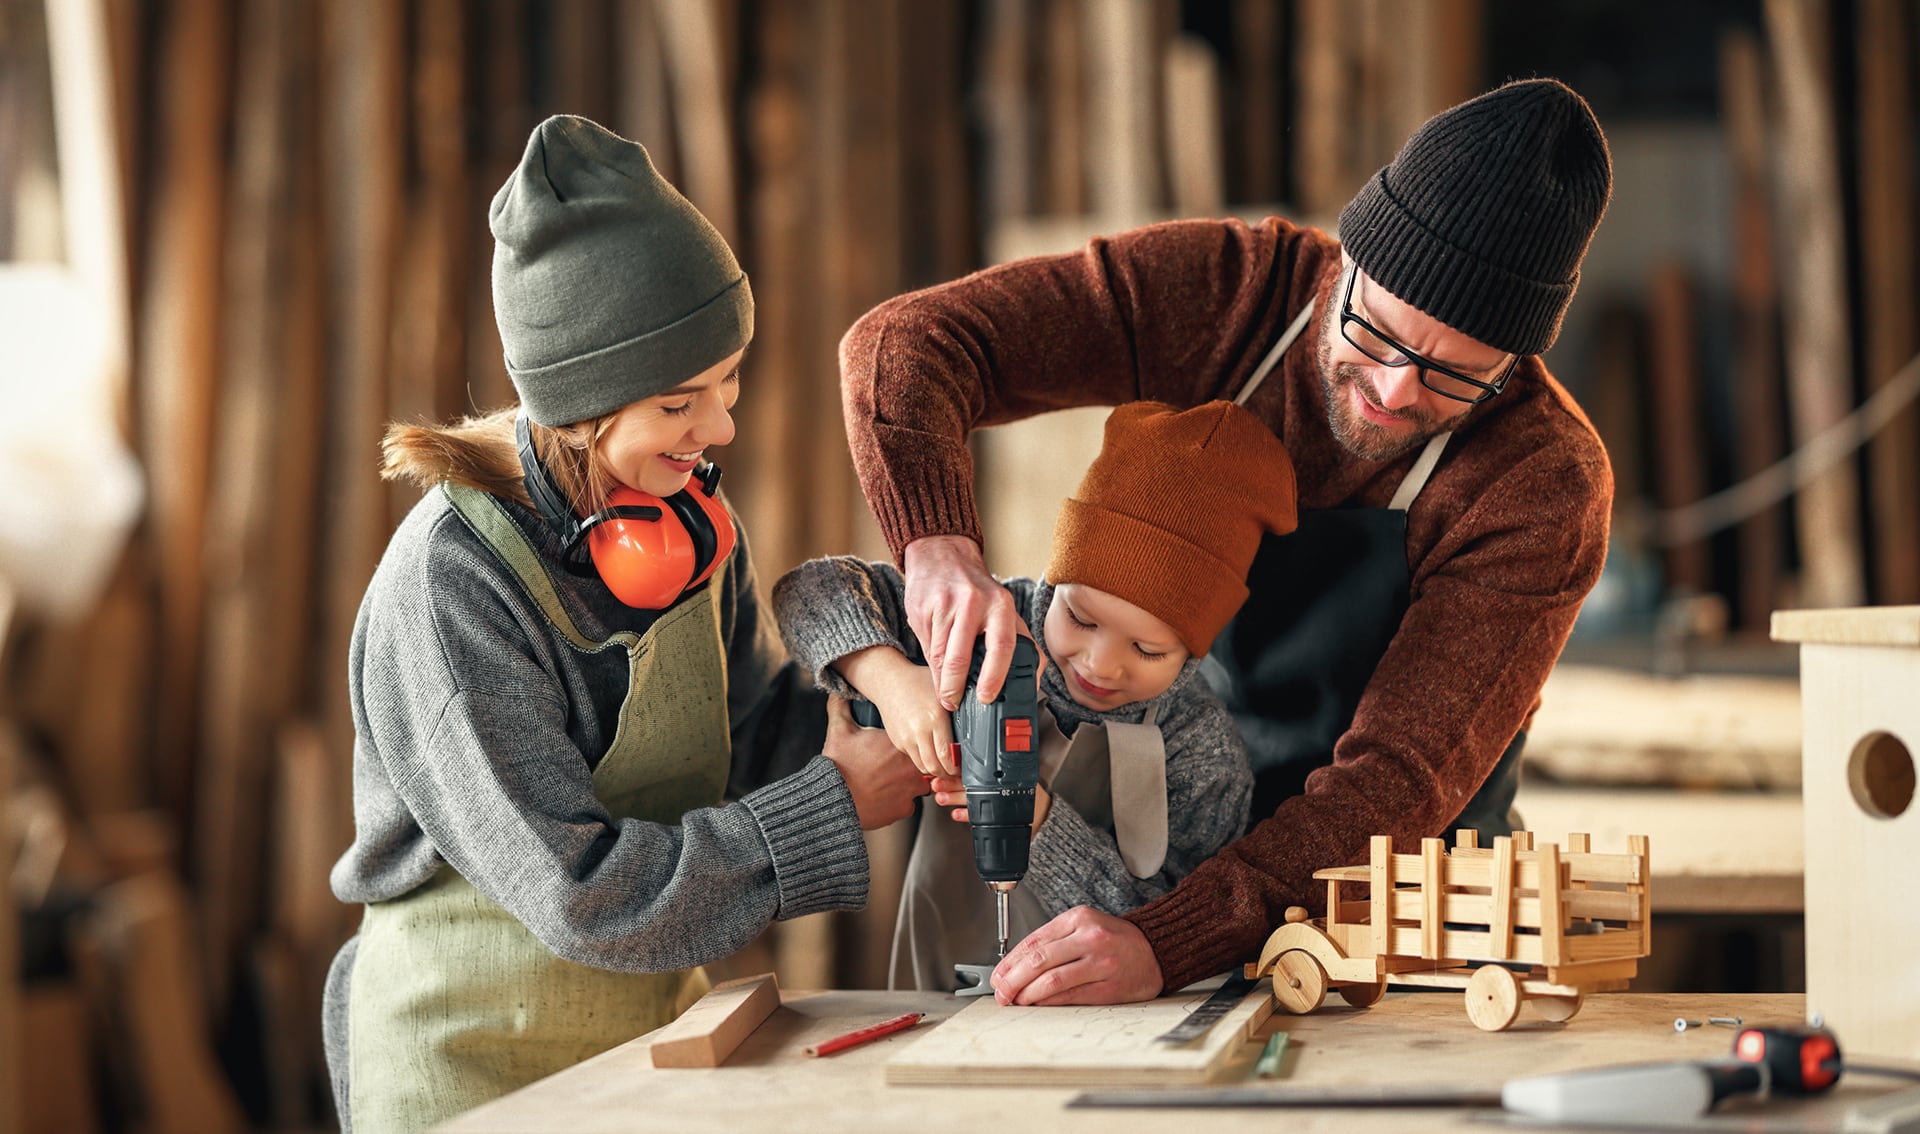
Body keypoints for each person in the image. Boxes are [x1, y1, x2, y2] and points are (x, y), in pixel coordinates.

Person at [835, 77, 1614, 1006]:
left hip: (1407, 924)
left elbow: (1394, 786)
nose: (1397, 393)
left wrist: (1173, 940)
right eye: (1375, 333)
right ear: (1349, 260)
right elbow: (908, 343)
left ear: (1516, 363)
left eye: (1456, 376)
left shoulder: (1541, 482)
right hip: (1181, 857)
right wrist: (937, 547)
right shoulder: (1233, 292)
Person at [320, 116, 922, 1131]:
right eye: (682, 402)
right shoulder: (452, 589)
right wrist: (830, 809)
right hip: (469, 1072)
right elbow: (582, 894)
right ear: (580, 409)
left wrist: (876, 715)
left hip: (646, 1056)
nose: (721, 427)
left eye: (729, 382)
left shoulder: (691, 523)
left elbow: (740, 739)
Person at [774, 400, 1295, 990]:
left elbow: (1183, 927)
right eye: (1079, 616)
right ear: (1056, 581)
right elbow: (805, 593)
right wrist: (888, 678)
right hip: (931, 991)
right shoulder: (987, 623)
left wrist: (1042, 826)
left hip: (1109, 1021)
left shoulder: (1201, 747)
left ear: (1195, 652)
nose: (1099, 663)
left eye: (1148, 651)